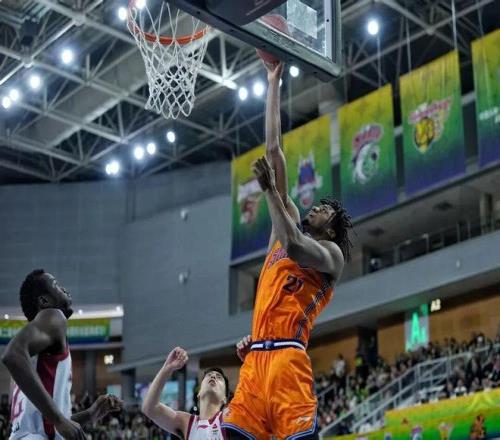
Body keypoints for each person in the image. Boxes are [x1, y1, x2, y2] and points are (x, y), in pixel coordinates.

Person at [222, 61, 353, 439]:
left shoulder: (331, 255)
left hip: (288, 359)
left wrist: (268, 192)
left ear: (332, 227)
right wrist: (273, 81)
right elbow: (274, 151)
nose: (316, 207)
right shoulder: (282, 228)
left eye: (324, 209)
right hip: (255, 360)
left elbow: (295, 247)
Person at [1, 269, 122, 440]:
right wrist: (59, 419)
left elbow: (47, 427)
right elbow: (12, 355)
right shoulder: (54, 316)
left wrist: (90, 414)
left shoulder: (34, 355)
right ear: (44, 301)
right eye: (56, 285)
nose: (64, 289)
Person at [142, 347, 229, 439]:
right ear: (199, 393)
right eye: (209, 375)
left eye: (219, 377)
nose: (213, 377)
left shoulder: (228, 418)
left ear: (224, 398)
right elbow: (149, 408)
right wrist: (167, 368)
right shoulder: (186, 422)